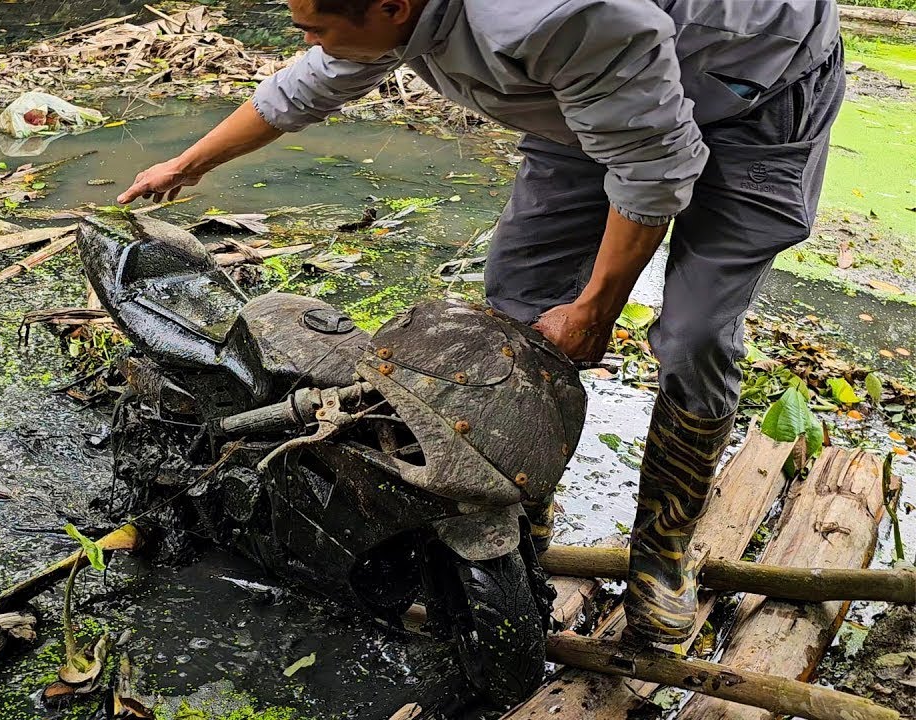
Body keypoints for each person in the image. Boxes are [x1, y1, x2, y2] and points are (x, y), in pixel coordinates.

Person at [116, 0, 845, 644]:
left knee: (694, 335)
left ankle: (662, 555)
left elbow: (654, 169)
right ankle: (518, 515)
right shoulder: (395, 18)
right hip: (592, 96)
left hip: (752, 94)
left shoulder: (552, 17)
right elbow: (315, 77)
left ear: (394, 8)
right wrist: (188, 163)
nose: (305, 36)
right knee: (517, 297)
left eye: (314, 23)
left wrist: (595, 310)